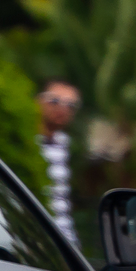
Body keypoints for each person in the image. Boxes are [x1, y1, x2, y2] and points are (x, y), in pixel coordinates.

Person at [37, 81, 79, 241]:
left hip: (64, 238)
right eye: (54, 101)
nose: (63, 109)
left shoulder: (63, 143)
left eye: (71, 105)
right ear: (38, 101)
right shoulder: (29, 141)